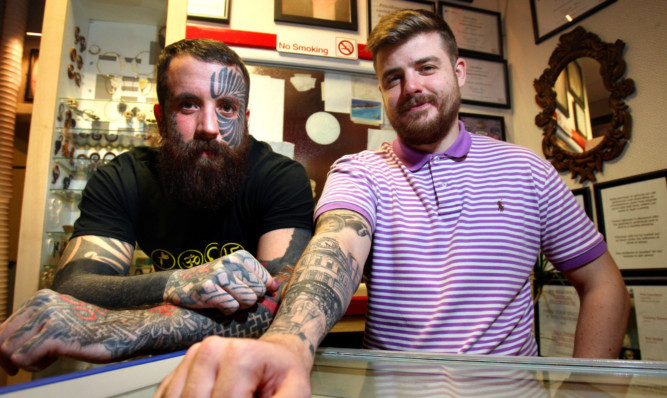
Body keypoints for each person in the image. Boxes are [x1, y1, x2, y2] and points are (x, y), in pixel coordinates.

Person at [155, 9, 631, 397]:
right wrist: (289, 343)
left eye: (426, 67)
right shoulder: (360, 171)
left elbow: (603, 282)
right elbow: (336, 248)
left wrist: (590, 386)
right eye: (394, 78)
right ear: (382, 91)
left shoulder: (527, 170)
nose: (412, 87)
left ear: (458, 71)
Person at [0, 38, 314, 375]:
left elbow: (283, 304)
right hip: (157, 369)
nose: (209, 127)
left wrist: (108, 329)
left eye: (226, 107)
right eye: (188, 105)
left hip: (250, 368)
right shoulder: (123, 178)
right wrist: (181, 282)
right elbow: (75, 287)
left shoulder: (280, 178)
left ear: (244, 119)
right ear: (161, 119)